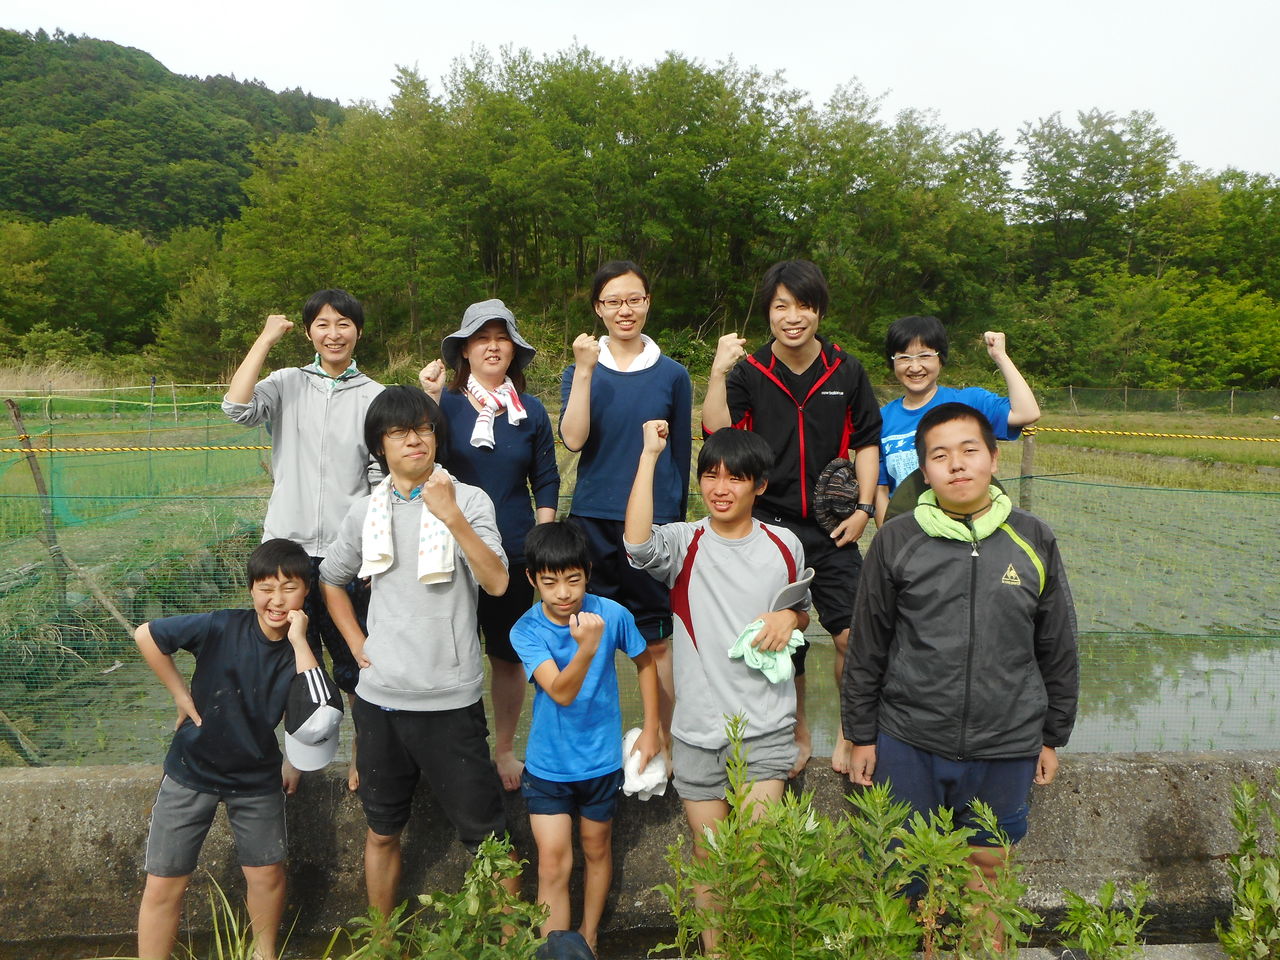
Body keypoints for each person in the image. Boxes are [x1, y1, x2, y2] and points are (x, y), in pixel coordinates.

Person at [842, 402, 1078, 943]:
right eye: (940, 456)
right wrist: (860, 734)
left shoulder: (1033, 537)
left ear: (994, 458)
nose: (957, 465)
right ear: (924, 471)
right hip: (909, 737)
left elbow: (1057, 642)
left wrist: (1052, 734)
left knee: (988, 871)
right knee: (902, 876)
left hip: (1006, 739)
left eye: (970, 451)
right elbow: (869, 644)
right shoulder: (897, 541)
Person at [317, 385, 515, 916]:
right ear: (380, 445)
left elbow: (496, 582)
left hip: (450, 699)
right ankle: (384, 943)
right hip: (381, 701)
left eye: (423, 429)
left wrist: (450, 516)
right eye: (399, 432)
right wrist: (357, 642)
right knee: (382, 832)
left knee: (490, 844)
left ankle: (509, 947)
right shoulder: (365, 512)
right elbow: (331, 579)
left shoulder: (469, 500)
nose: (414, 440)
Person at [624, 424, 810, 954]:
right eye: (710, 475)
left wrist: (789, 617)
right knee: (710, 858)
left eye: (735, 477)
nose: (720, 487)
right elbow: (636, 544)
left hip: (765, 725)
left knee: (759, 854)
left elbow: (800, 614)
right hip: (698, 731)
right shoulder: (685, 541)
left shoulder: (785, 544)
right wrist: (649, 455)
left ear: (760, 486)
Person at [702, 259, 881, 775]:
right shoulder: (751, 372)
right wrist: (718, 371)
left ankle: (850, 732)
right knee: (784, 641)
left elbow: (867, 442)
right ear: (768, 314)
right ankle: (798, 731)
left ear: (819, 310)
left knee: (853, 635)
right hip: (773, 530)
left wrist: (865, 508)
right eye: (781, 306)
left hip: (835, 526)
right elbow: (719, 432)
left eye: (804, 305)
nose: (793, 316)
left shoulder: (845, 371)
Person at [135, 538, 342, 960]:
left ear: (307, 592)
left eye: (290, 588)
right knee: (165, 881)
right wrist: (179, 693)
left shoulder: (302, 651)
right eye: (267, 588)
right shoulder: (220, 625)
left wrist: (301, 642)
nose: (277, 600)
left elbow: (315, 712)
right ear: (251, 590)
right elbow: (146, 635)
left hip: (256, 778)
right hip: (190, 770)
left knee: (266, 875)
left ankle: (263, 955)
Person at [223, 288, 383, 791]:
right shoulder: (287, 383)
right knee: (287, 654)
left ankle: (361, 749)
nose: (333, 334)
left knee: (354, 657)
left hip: (344, 551)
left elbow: (380, 477)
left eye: (343, 324)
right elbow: (235, 408)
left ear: (358, 332)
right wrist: (267, 338)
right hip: (286, 549)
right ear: (310, 331)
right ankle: (296, 754)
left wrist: (376, 551)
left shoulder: (373, 394)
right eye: (322, 324)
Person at [418, 299, 560, 791]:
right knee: (448, 650)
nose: (493, 346)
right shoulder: (445, 402)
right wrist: (431, 401)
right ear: (465, 351)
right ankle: (447, 751)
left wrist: (543, 542)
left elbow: (545, 478)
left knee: (506, 655)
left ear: (514, 352)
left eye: (502, 338)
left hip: (516, 548)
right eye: (482, 338)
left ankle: (502, 749)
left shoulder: (531, 412)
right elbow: (420, 459)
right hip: (450, 546)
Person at [508, 521, 661, 954]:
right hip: (548, 767)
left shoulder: (612, 614)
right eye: (550, 582)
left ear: (588, 572)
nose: (563, 593)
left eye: (573, 580)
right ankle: (557, 951)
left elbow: (646, 663)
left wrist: (652, 730)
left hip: (601, 762)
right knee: (554, 861)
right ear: (532, 579)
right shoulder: (526, 630)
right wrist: (588, 648)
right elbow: (559, 690)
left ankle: (589, 937)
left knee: (597, 850)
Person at [560, 260, 692, 749]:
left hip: (651, 528)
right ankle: (594, 741)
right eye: (613, 301)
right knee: (589, 636)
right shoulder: (581, 370)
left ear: (648, 302)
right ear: (598, 309)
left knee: (657, 638)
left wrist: (673, 524)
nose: (625, 309)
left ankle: (671, 738)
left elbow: (680, 455)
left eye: (634, 298)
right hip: (591, 520)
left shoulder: (673, 375)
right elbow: (572, 441)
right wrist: (583, 371)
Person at [875, 315, 1040, 523]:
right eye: (904, 358)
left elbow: (1027, 413)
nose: (915, 367)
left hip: (969, 532)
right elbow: (881, 490)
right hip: (912, 537)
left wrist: (1000, 356)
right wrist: (890, 542)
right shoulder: (881, 420)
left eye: (925, 356)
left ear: (940, 358)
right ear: (893, 362)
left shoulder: (969, 402)